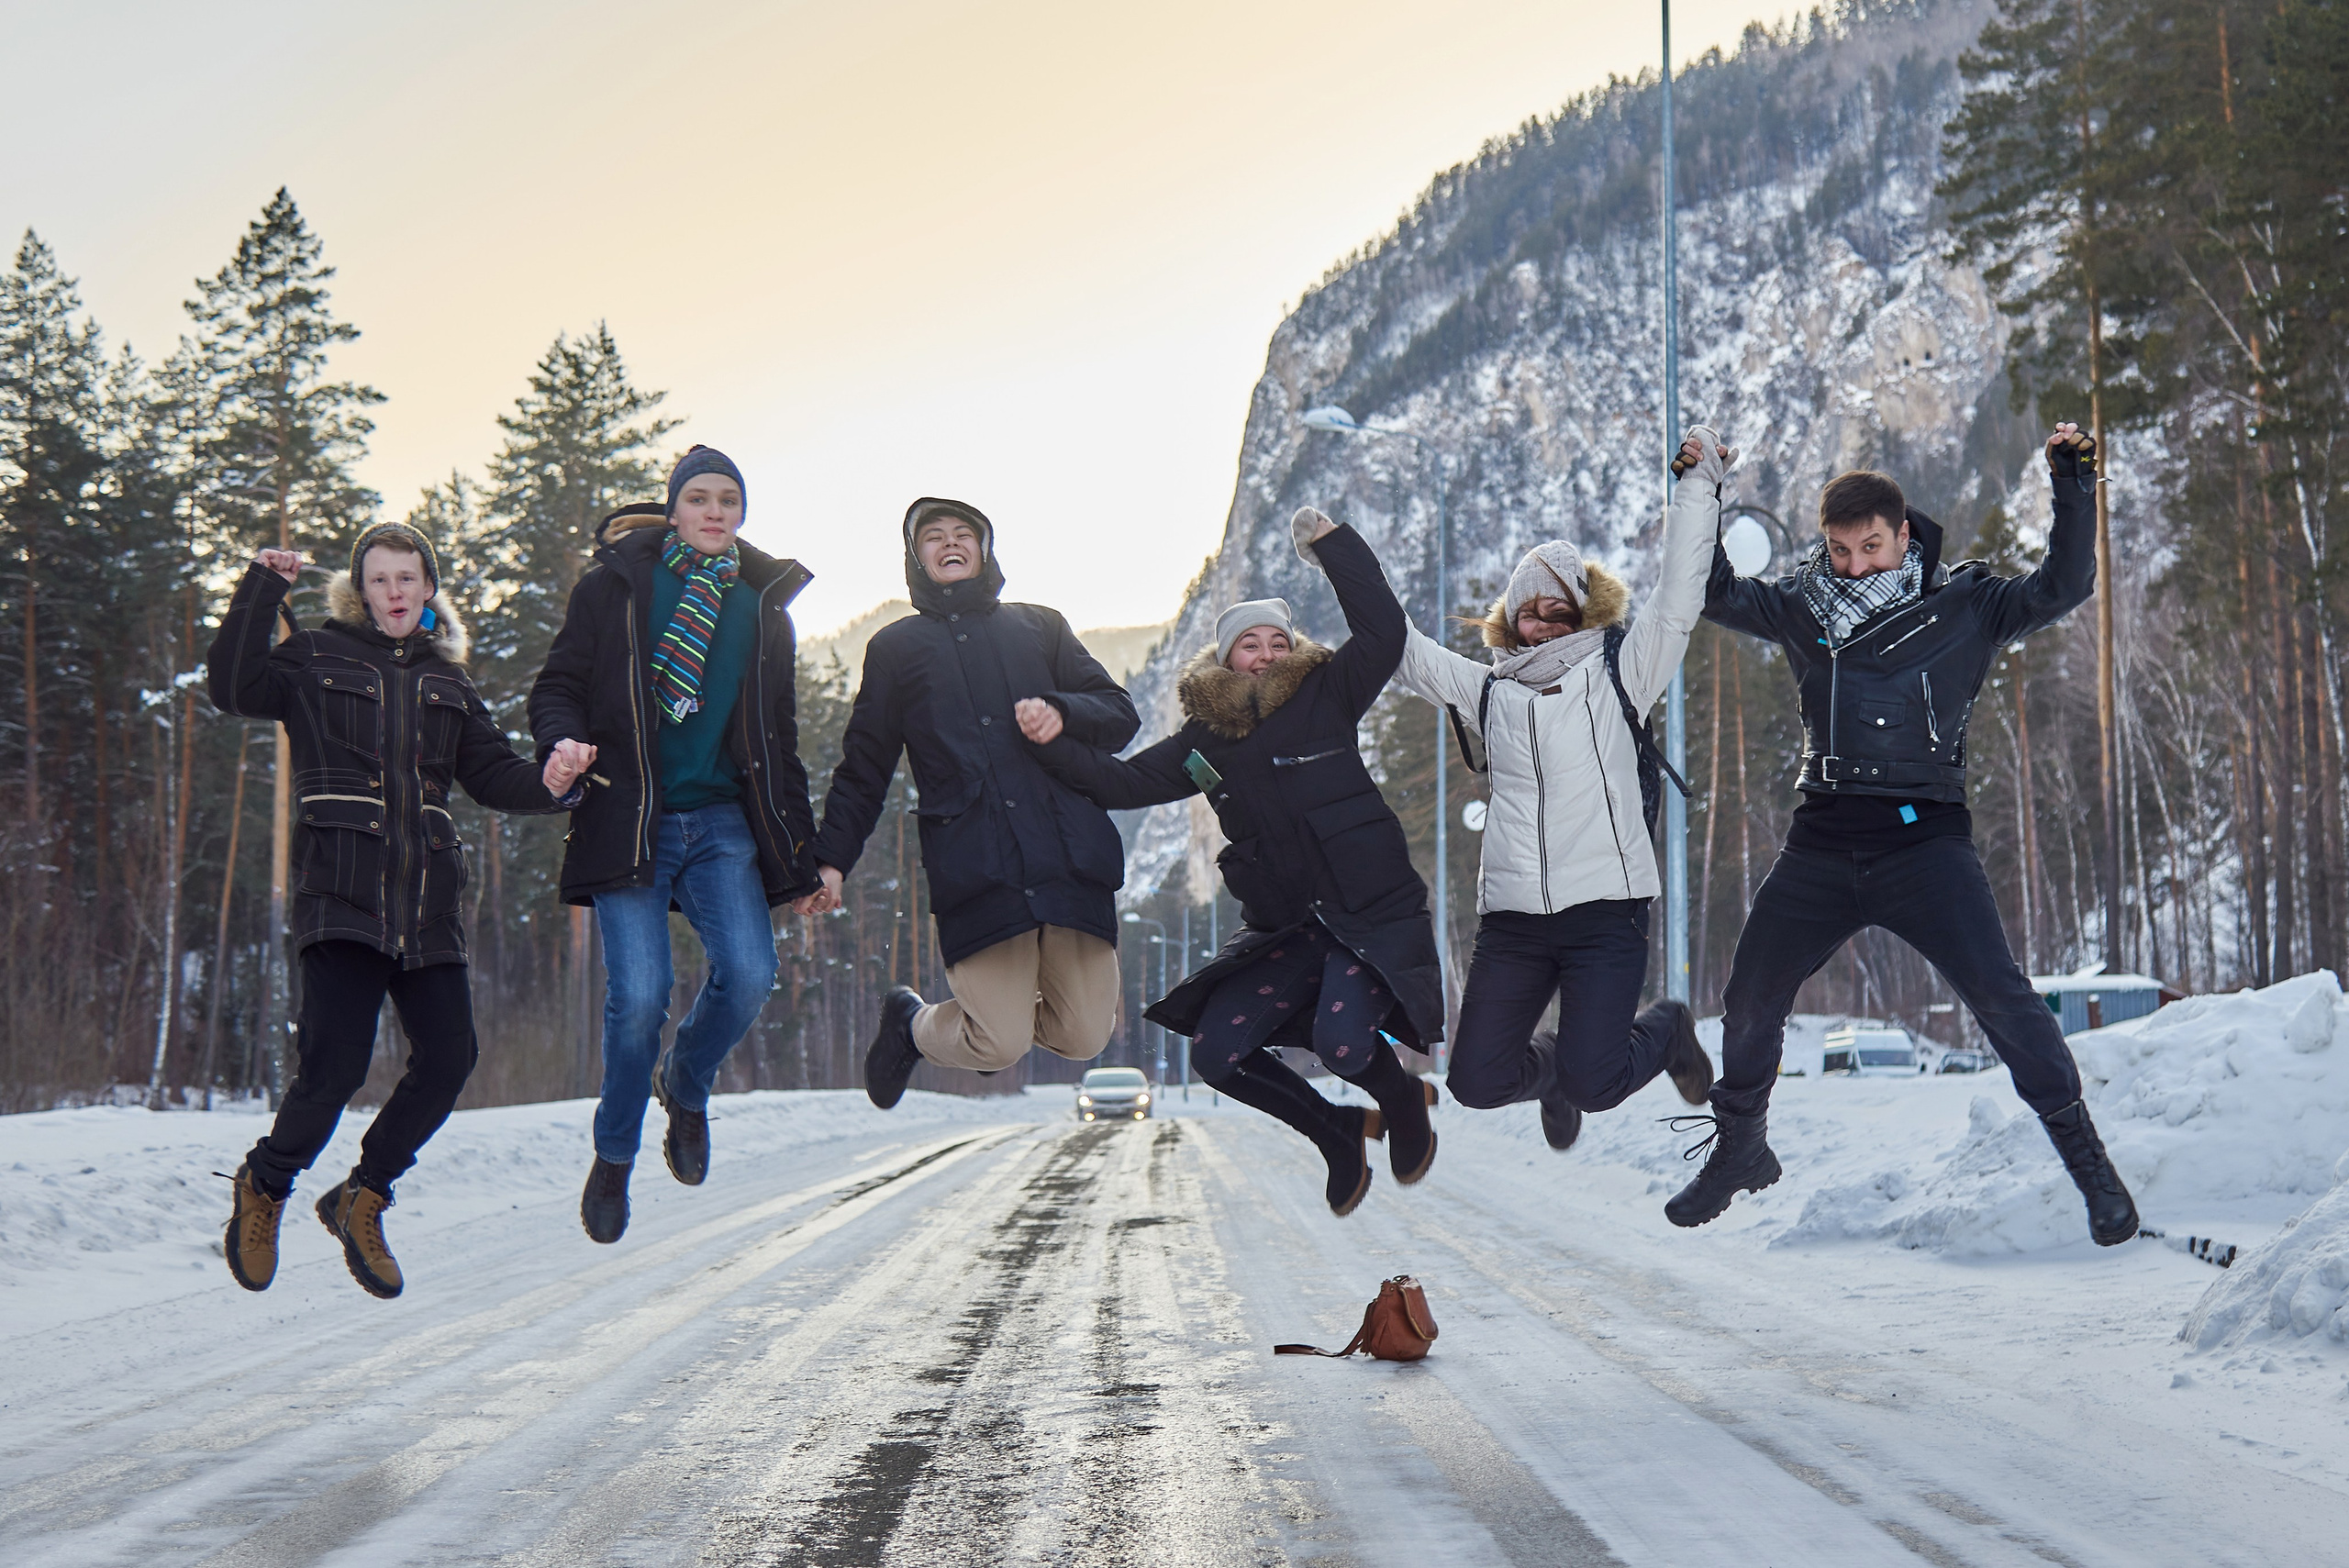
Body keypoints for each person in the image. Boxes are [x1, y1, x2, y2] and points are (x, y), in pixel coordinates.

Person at [1677, 423, 2139, 1245]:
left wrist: (2072, 484)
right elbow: (1709, 590)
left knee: (2003, 997)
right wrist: (1700, 490)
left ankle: (2091, 1167)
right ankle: (1742, 1146)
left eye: (1871, 547)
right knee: (1747, 999)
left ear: (1902, 535)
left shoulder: (1968, 605)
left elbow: (2064, 586)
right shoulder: (1800, 607)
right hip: (1821, 840)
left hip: (1926, 844)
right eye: (1840, 549)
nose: (1854, 566)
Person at [1028, 508, 1442, 1218]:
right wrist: (1053, 736)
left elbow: (1384, 631)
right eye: (1249, 643)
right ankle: (1335, 1131)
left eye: (1278, 640)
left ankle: (1400, 1096)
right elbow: (1121, 783)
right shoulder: (1205, 743)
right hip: (1288, 930)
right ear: (1224, 661)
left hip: (1369, 913)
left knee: (1346, 1046)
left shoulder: (1328, 694)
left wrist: (1331, 546)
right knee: (1216, 1052)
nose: (1267, 652)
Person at [211, 521, 581, 1299]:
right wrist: (260, 590)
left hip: (428, 904)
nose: (394, 593)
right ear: (360, 587)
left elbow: (495, 777)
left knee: (450, 1058)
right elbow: (233, 687)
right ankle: (266, 1185)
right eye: (379, 579)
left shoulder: (452, 680)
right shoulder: (314, 654)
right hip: (340, 894)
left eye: (408, 579)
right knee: (335, 1067)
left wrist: (554, 781)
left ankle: (363, 1195)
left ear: (428, 587)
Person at [1394, 428, 1730, 1150]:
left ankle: (1668, 1027)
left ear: (1581, 614)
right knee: (1476, 1082)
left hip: (1605, 913)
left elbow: (1675, 602)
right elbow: (1404, 651)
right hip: (1515, 921)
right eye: (1529, 609)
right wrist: (1337, 555)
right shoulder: (1488, 690)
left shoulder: (1620, 673)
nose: (1542, 622)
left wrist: (1698, 489)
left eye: (1558, 610)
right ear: (1509, 618)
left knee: (1596, 1083)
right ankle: (1552, 1073)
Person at [529, 446, 819, 1245]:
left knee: (752, 972)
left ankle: (684, 1082)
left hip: (722, 821)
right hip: (631, 815)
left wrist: (800, 854)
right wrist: (561, 742)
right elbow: (557, 686)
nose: (715, 511)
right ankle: (615, 1154)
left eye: (729, 498)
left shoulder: (763, 610)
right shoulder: (616, 587)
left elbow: (779, 739)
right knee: (639, 1000)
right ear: (674, 509)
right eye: (699, 497)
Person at [801, 498, 1138, 1105]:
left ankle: (996, 1010)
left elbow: (1119, 716)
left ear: (985, 548)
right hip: (979, 868)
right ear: (916, 557)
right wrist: (832, 860)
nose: (950, 543)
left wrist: (1062, 712)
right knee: (998, 1043)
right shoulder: (895, 650)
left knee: (1088, 1033)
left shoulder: (1042, 625)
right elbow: (864, 769)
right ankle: (910, 1022)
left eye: (964, 533)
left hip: (1069, 861)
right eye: (934, 536)